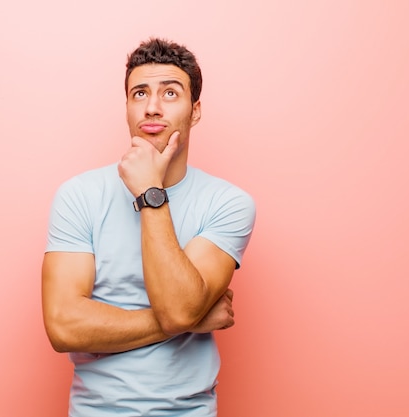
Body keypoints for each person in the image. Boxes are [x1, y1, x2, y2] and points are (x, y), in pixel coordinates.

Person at [41, 38, 256, 417]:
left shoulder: (229, 203)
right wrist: (193, 321)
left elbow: (178, 309)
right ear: (127, 106)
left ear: (195, 110)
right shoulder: (78, 195)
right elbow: (63, 327)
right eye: (140, 93)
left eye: (170, 93)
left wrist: (149, 193)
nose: (152, 107)